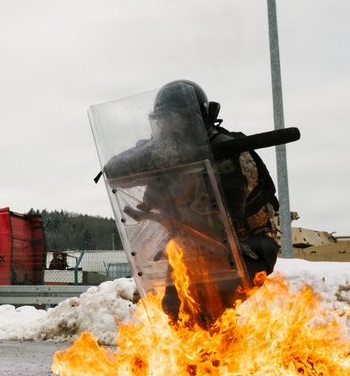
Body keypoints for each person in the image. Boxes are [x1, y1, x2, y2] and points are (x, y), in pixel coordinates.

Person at [104, 80, 280, 325]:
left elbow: (227, 220)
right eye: (164, 121)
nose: (170, 127)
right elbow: (112, 171)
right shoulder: (161, 150)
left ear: (197, 118)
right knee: (174, 308)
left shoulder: (228, 153)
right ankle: (193, 359)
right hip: (192, 243)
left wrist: (173, 208)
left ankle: (226, 353)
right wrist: (155, 156)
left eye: (177, 120)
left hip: (244, 245)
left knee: (211, 305)